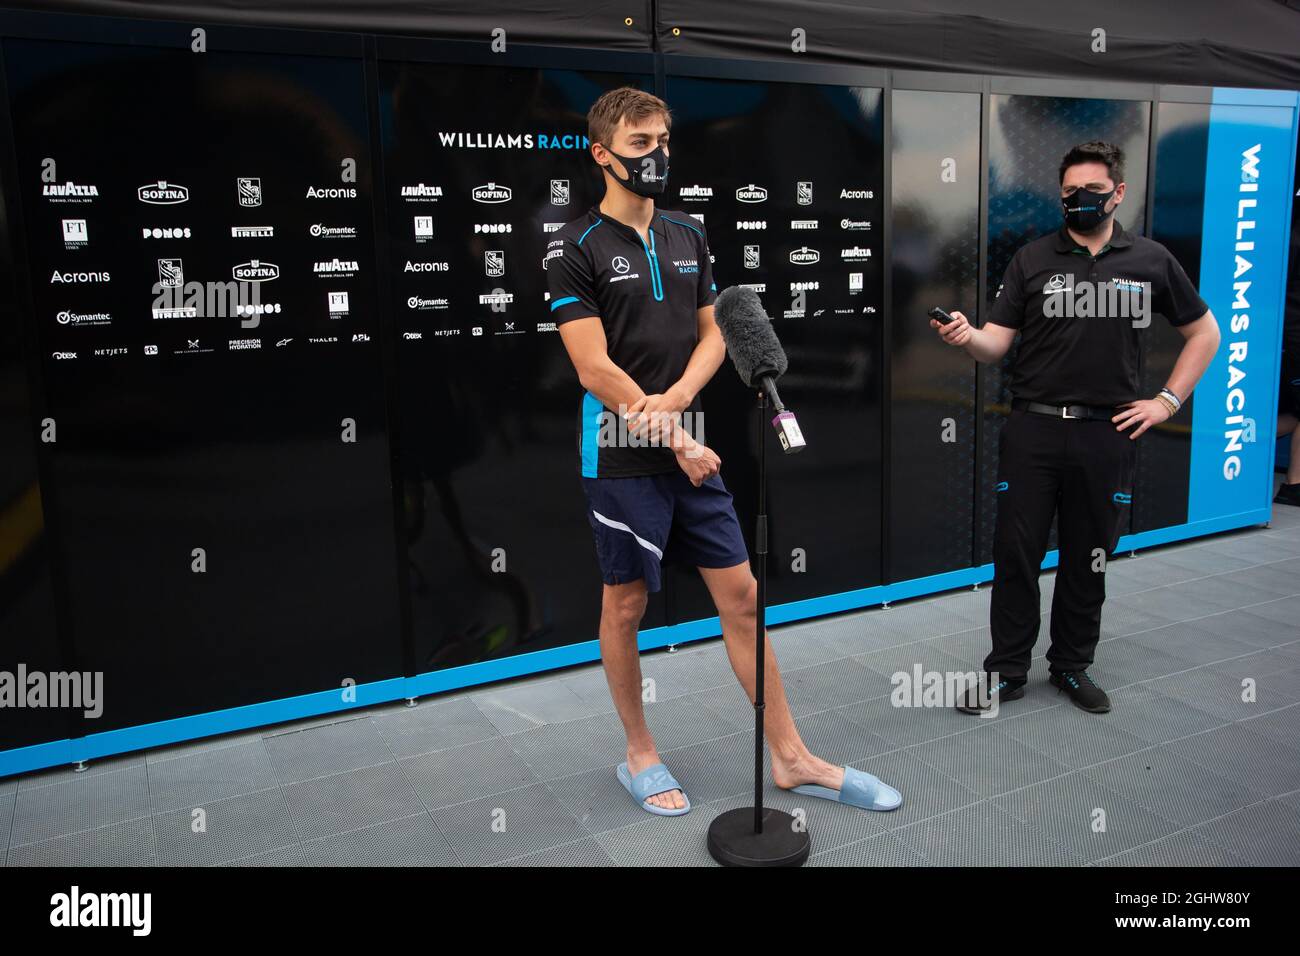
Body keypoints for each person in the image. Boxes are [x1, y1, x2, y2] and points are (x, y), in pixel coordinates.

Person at [545, 86, 901, 815]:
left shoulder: (688, 233)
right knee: (627, 604)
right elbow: (595, 370)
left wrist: (678, 406)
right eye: (640, 143)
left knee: (741, 598)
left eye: (663, 140)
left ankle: (792, 758)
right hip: (618, 451)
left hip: (688, 442)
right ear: (602, 153)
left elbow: (716, 333)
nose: (657, 155)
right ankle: (639, 754)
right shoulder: (574, 249)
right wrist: (672, 432)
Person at [931, 141, 1221, 715]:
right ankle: (1007, 672)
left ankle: (1071, 665)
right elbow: (996, 344)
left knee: (1089, 555)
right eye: (1069, 193)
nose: (1079, 200)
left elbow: (1205, 333)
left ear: (1118, 192)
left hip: (1107, 434)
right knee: (1016, 555)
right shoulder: (1033, 259)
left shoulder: (1152, 260)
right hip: (1033, 431)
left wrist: (1166, 401)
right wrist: (969, 337)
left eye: (1091, 190)